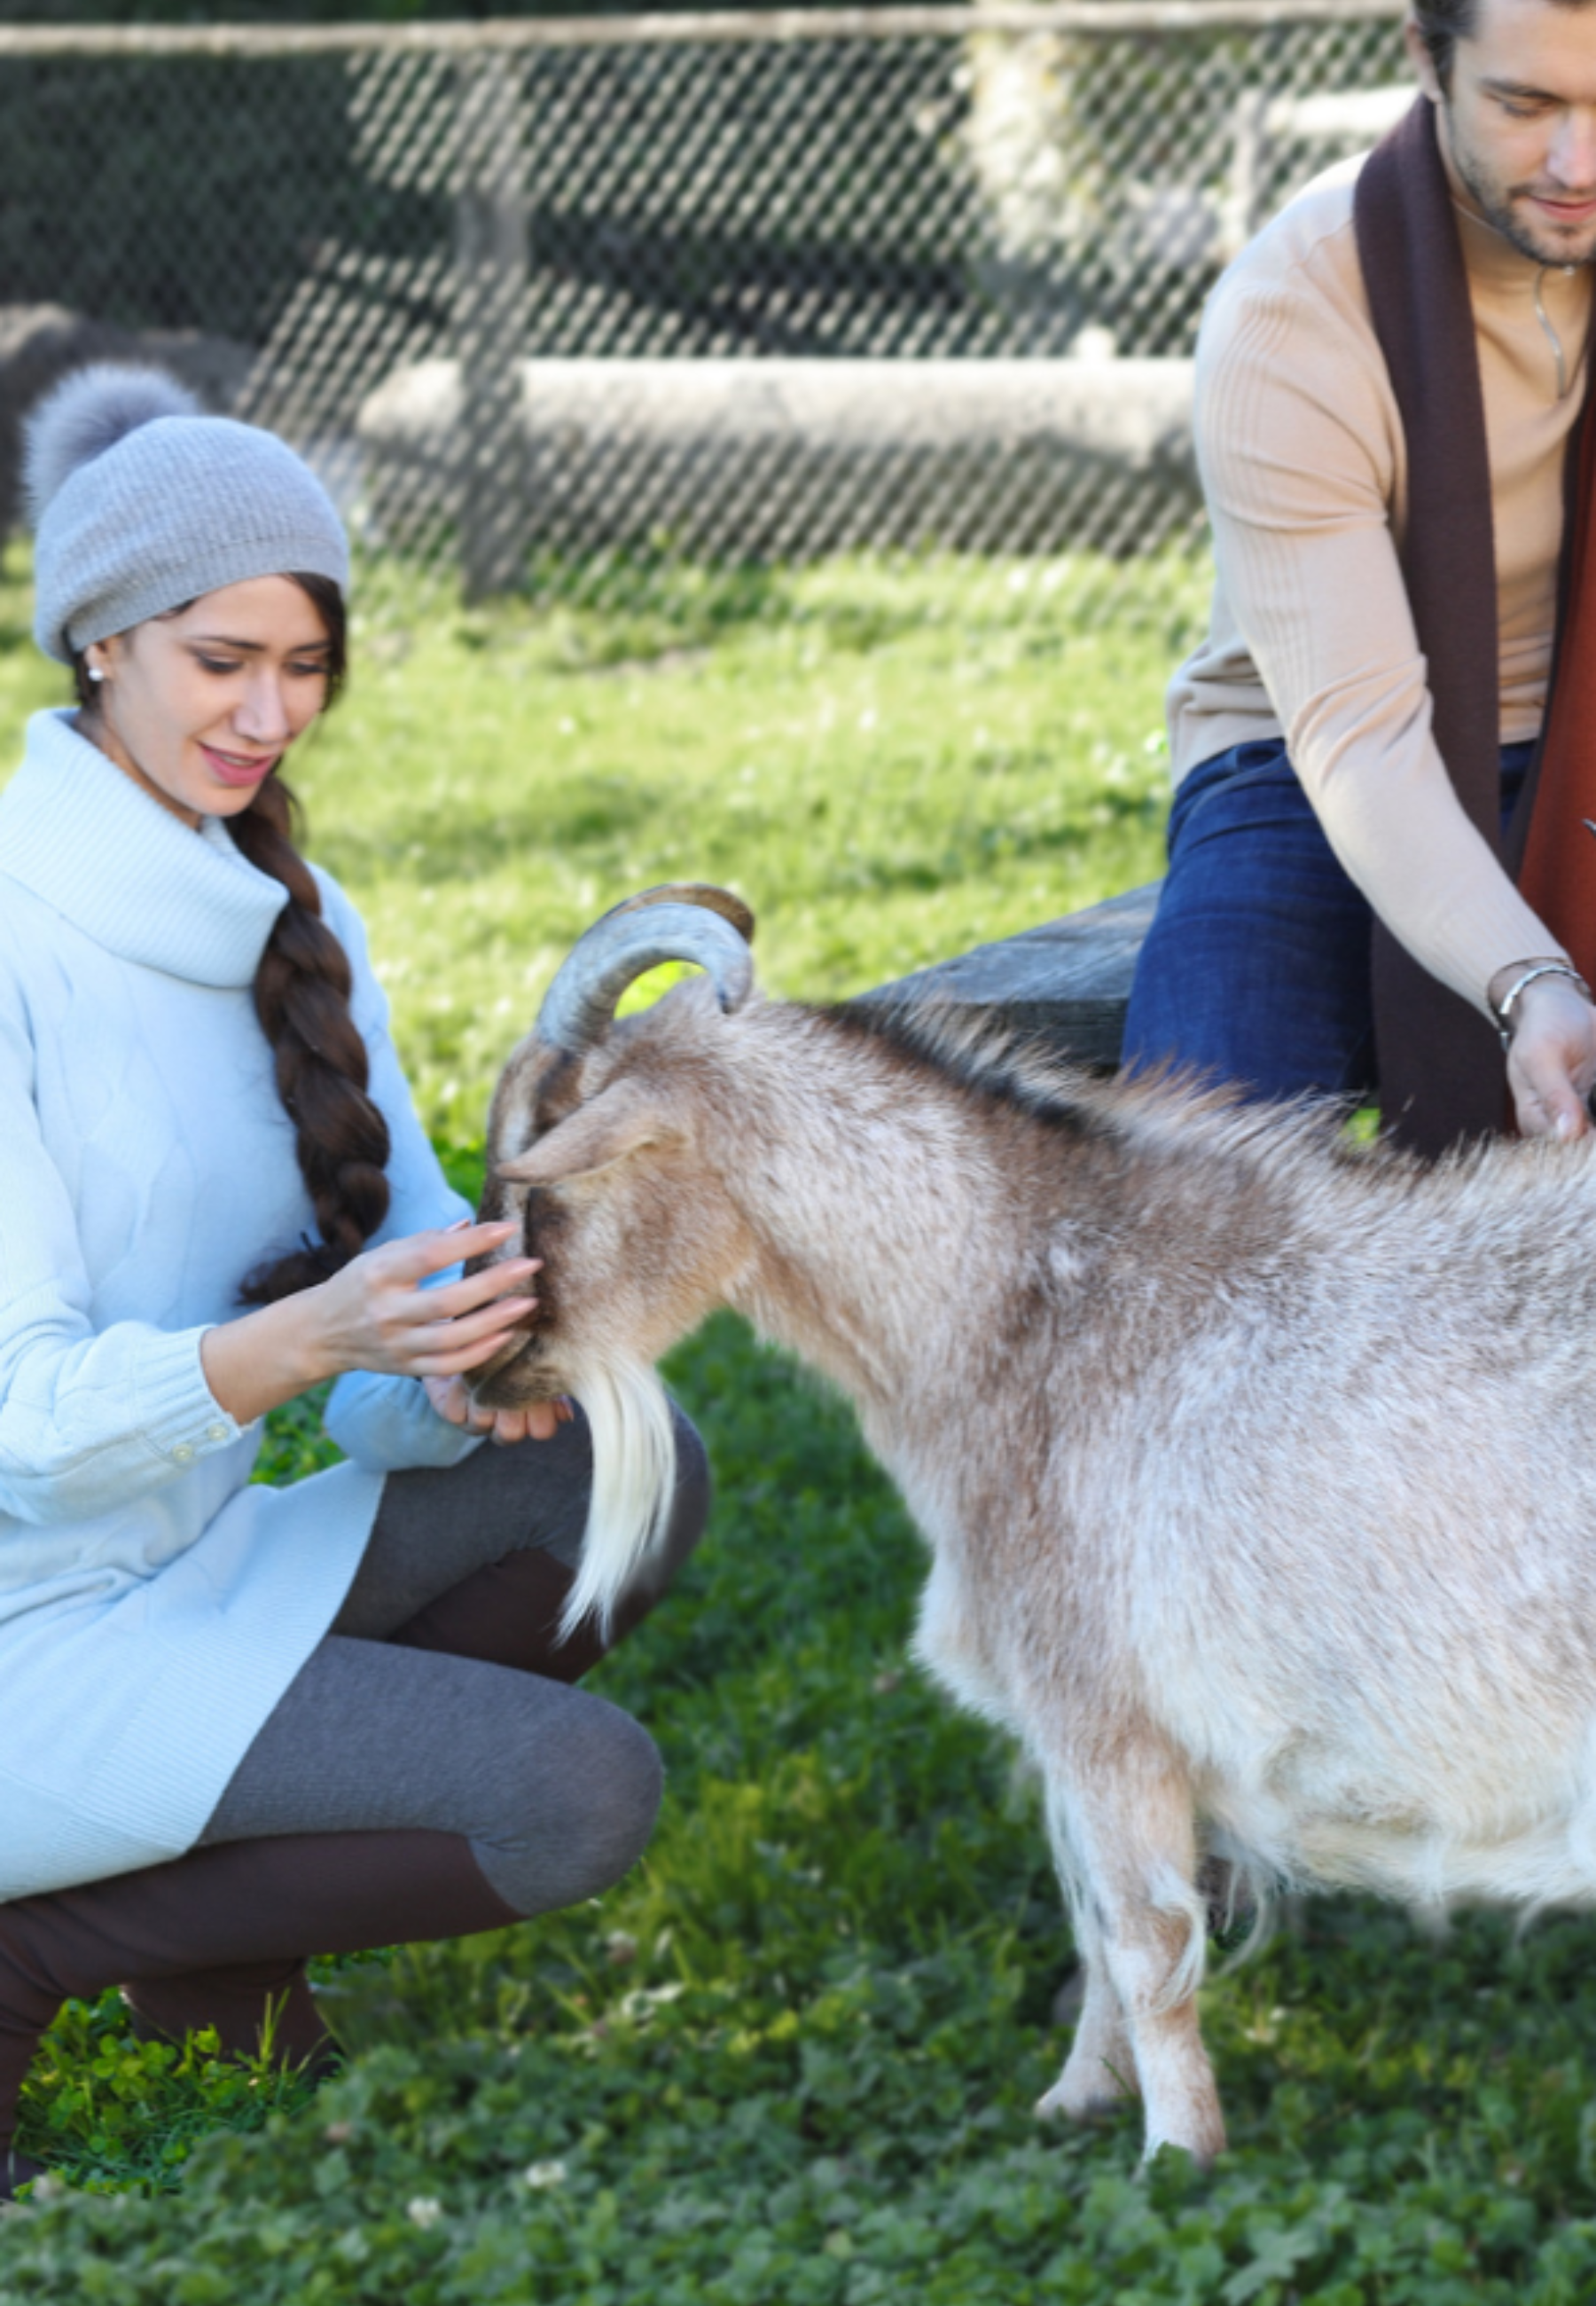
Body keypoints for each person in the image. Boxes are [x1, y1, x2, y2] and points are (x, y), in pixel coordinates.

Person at [0, 365, 708, 2195]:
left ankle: (196, 1931)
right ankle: (45, 1943)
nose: (266, 713)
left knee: (623, 1454)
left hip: (178, 1561)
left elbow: (399, 1272)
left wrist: (471, 1357)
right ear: (97, 641)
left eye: (303, 666)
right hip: (25, 1636)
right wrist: (308, 1341)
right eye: (217, 659)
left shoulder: (295, 918)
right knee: (578, 1791)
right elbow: (20, 1432)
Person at [1121, 0, 1596, 1157]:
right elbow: (1360, 736)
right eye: (1525, 105)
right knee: (1199, 1171)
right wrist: (1528, 978)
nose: (1578, 164)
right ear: (1427, 59)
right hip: (1310, 760)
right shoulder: (1295, 312)